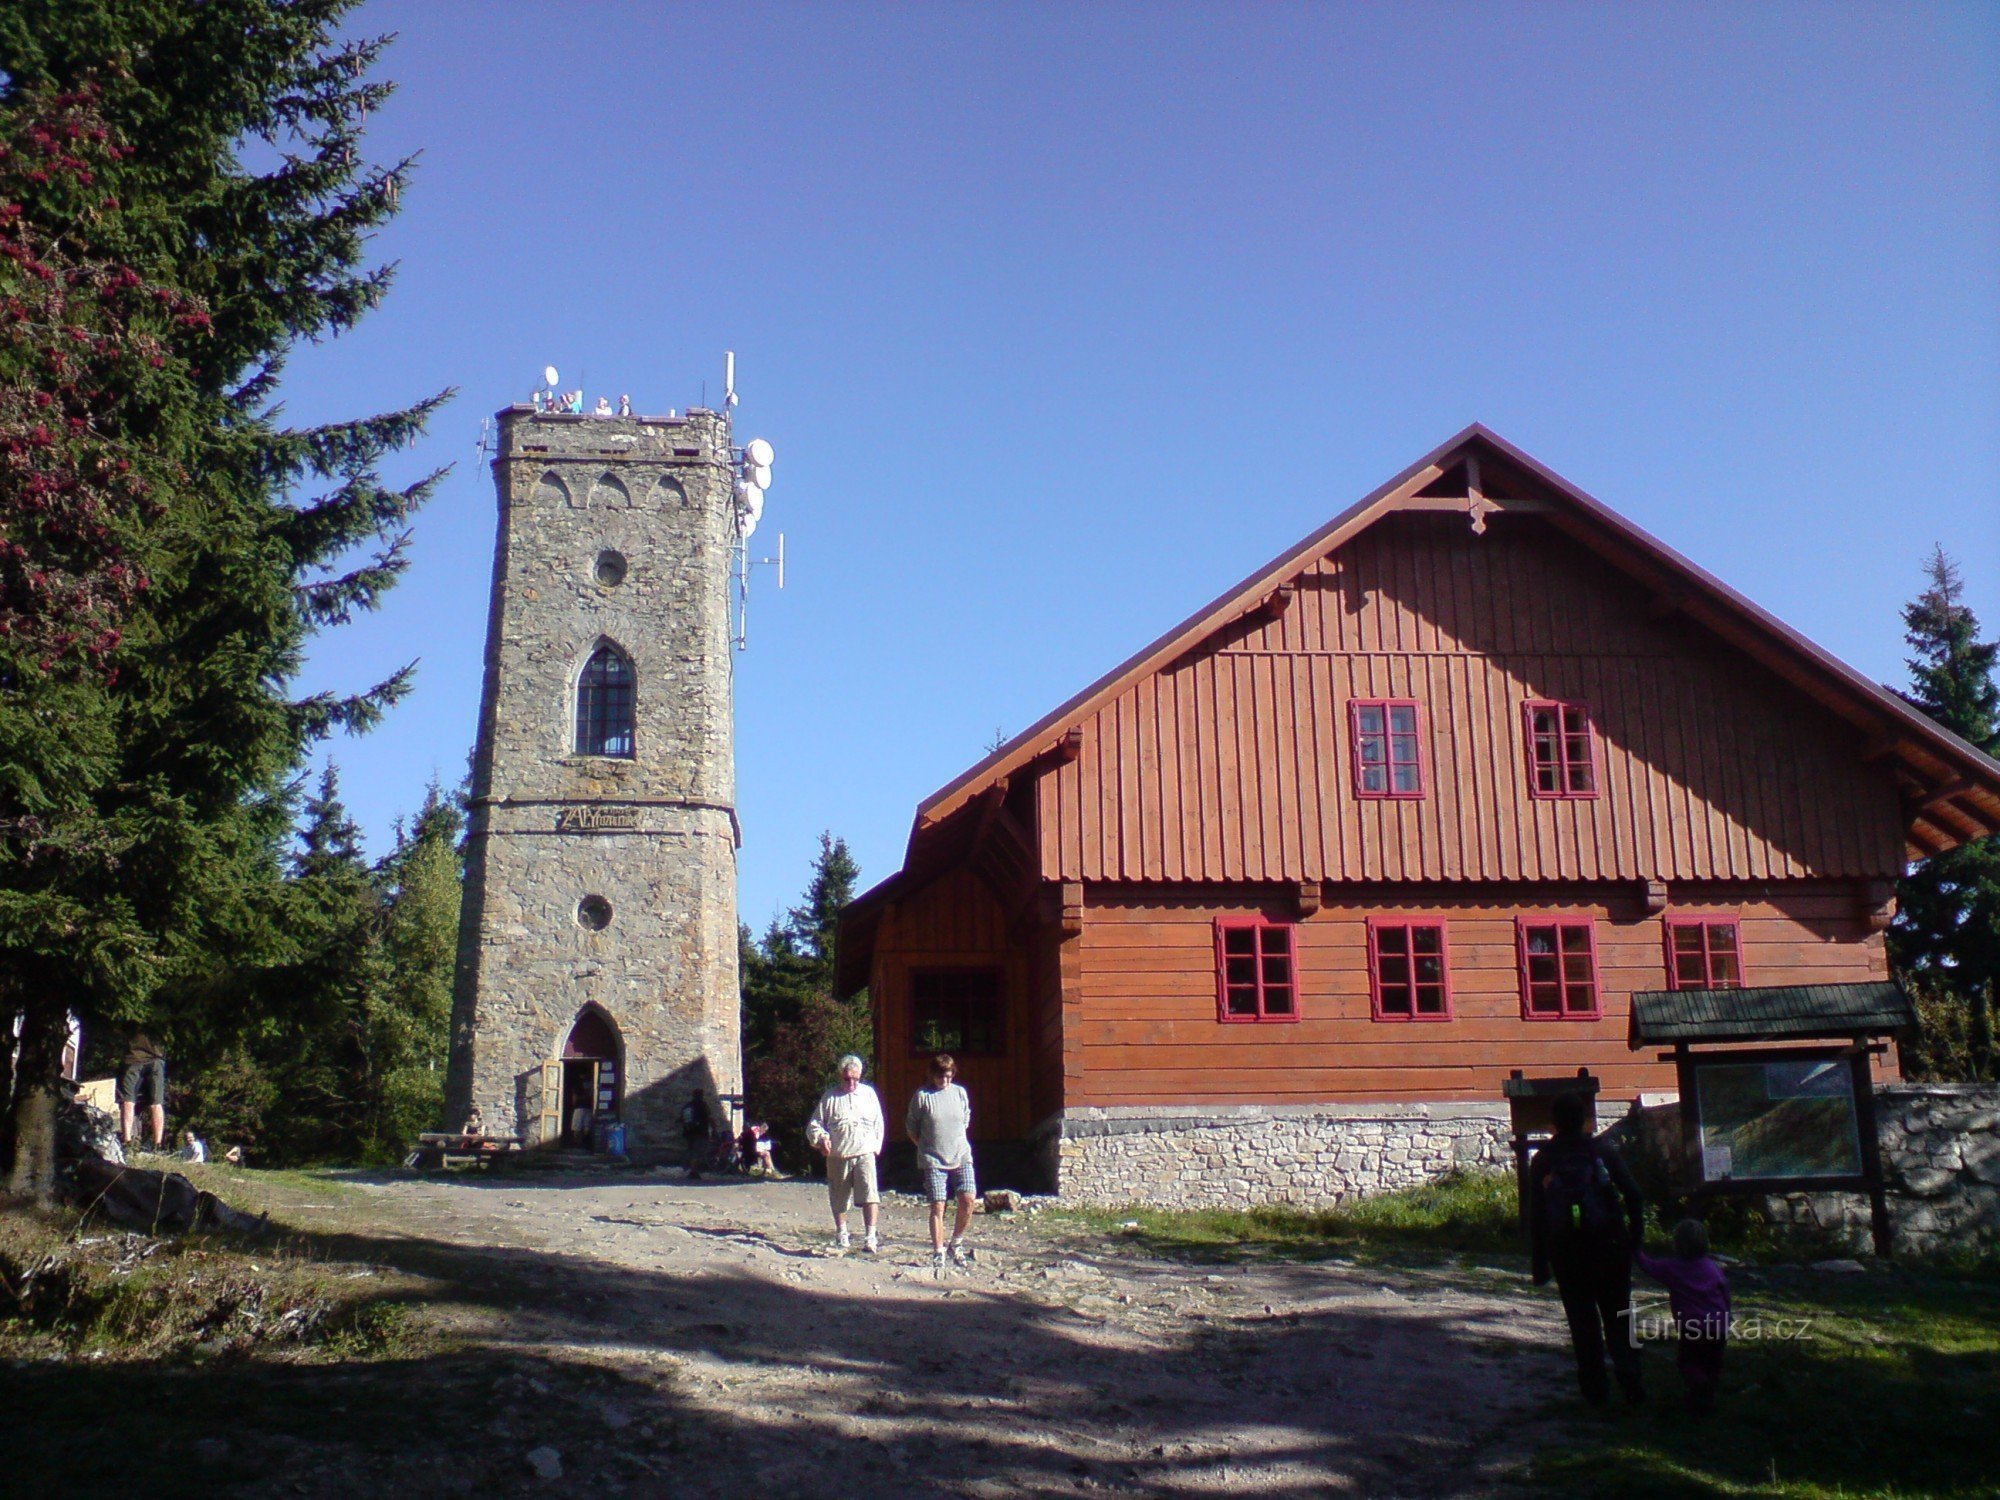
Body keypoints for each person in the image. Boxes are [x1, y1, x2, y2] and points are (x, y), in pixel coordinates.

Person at [1528, 1091, 1646, 1406]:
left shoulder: (1544, 1159)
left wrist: (1540, 1264)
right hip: (1610, 1247)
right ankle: (1631, 1378)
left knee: (1583, 1323)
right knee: (1620, 1315)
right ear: (1584, 1120)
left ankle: (1595, 1391)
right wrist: (1635, 1239)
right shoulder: (1601, 1151)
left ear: (1553, 1123)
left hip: (1568, 1251)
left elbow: (1535, 1214)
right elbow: (1633, 1195)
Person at [1636, 1218, 1731, 1414]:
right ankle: (1705, 1399)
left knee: (1688, 1362)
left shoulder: (1673, 1267)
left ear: (1677, 1244)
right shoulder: (1712, 1267)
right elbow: (1725, 1292)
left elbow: (1648, 1266)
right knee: (1712, 1364)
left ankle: (1699, 1388)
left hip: (1693, 1326)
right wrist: (1728, 1316)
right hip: (1719, 1325)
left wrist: (1635, 1248)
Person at [805, 1055, 884, 1253]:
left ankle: (871, 1237)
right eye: (847, 1078)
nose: (851, 1083)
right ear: (841, 1076)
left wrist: (876, 1146)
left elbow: (878, 1122)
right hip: (838, 1155)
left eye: (855, 1079)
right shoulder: (830, 1097)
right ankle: (842, 1234)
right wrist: (822, 1138)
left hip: (865, 1151)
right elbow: (814, 1125)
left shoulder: (869, 1094)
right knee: (839, 1197)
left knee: (870, 1194)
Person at [907, 1054, 977, 1268]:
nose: (944, 1081)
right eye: (940, 1076)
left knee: (968, 1199)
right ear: (932, 1075)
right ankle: (938, 1251)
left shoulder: (960, 1093)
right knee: (938, 1205)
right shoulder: (922, 1095)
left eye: (948, 1076)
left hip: (961, 1155)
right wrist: (924, 1147)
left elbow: (965, 1119)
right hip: (933, 1159)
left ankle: (956, 1242)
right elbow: (911, 1126)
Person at [117, 1028, 167, 1153]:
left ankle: (127, 1142)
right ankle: (158, 1145)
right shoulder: (161, 1013)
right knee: (156, 1104)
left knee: (128, 1101)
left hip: (133, 1059)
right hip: (156, 1058)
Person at [681, 1088, 716, 1179]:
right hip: (700, 1132)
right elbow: (709, 1118)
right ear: (701, 1096)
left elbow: (681, 1119)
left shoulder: (688, 1106)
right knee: (697, 1152)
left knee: (691, 1151)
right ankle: (694, 1172)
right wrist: (714, 1129)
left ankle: (690, 1169)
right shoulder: (703, 1105)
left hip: (688, 1132)